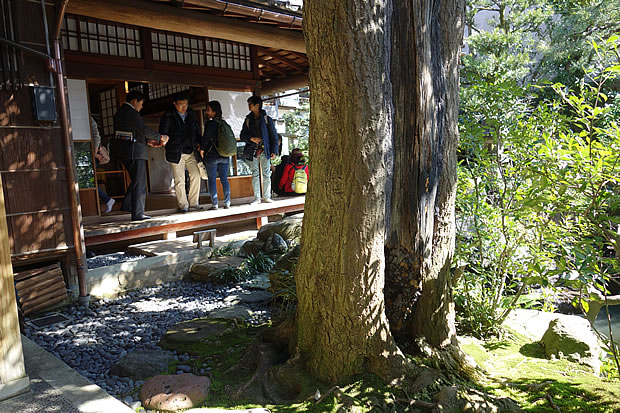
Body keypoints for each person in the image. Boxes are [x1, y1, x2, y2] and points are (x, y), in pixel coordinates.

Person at [110, 90, 168, 221]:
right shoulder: (131, 112)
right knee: (139, 181)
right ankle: (138, 213)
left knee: (136, 179)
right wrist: (160, 137)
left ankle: (127, 205)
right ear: (134, 101)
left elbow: (132, 132)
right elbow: (143, 129)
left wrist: (148, 141)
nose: (141, 107)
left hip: (124, 150)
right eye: (141, 104)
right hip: (134, 151)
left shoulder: (120, 112)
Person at [159, 92, 203, 213]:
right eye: (180, 105)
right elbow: (163, 132)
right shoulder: (168, 115)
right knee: (179, 179)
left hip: (191, 151)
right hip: (176, 151)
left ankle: (194, 203)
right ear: (174, 104)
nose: (184, 107)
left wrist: (200, 144)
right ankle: (183, 205)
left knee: (196, 175)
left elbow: (197, 130)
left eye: (186, 104)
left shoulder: (191, 114)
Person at [239, 95, 278, 205]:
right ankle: (257, 198)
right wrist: (251, 139)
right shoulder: (248, 120)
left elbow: (273, 136)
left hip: (265, 150)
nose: (249, 106)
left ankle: (266, 197)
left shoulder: (266, 119)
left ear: (257, 105)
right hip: (253, 150)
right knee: (255, 174)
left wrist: (274, 151)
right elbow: (242, 135)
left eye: (250, 104)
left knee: (266, 173)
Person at [199, 100, 231, 210]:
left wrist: (202, 150)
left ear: (214, 111)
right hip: (225, 156)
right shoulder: (224, 123)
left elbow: (206, 138)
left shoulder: (210, 123)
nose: (207, 112)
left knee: (212, 180)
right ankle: (227, 203)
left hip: (212, 156)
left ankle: (215, 204)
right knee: (224, 179)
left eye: (208, 110)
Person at [90, 116, 115, 213]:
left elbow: (96, 135)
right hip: (91, 154)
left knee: (87, 181)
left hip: (92, 154)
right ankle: (107, 200)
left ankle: (107, 200)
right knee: (87, 181)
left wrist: (94, 153)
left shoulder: (88, 118)